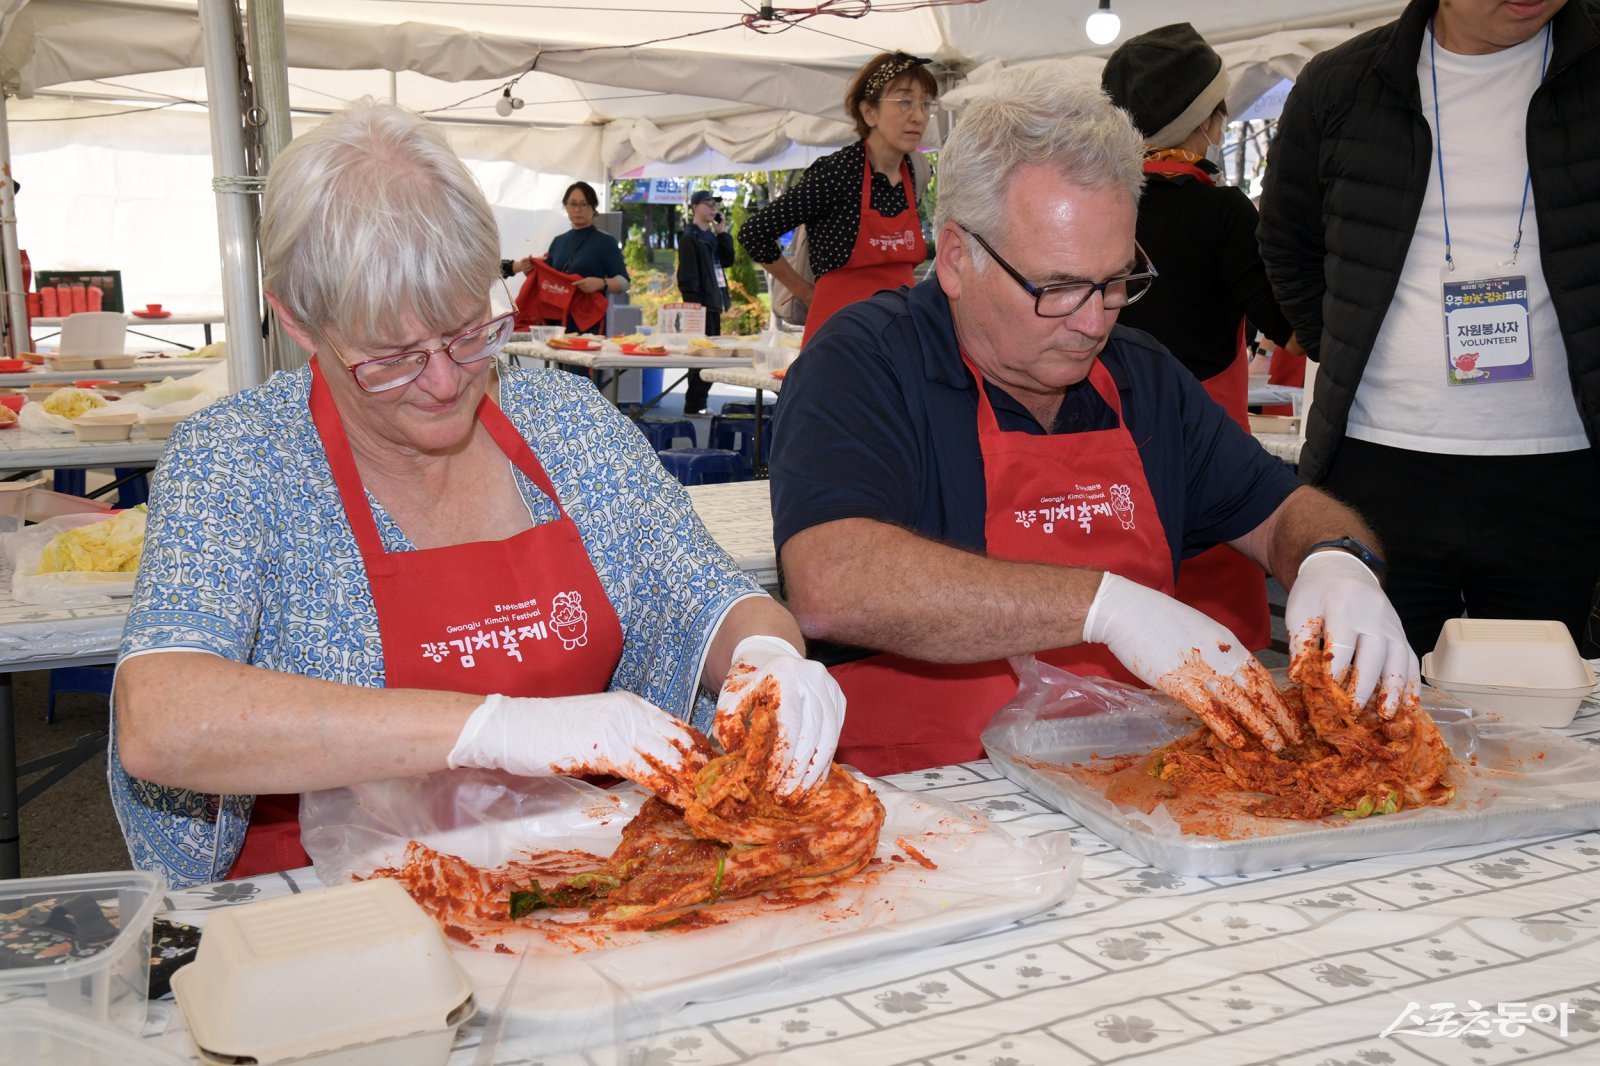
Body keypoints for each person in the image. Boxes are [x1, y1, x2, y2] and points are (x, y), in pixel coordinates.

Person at [108, 100, 845, 888]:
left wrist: (766, 655)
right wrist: (495, 729)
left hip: (584, 879)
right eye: (392, 357)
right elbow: (163, 716)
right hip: (331, 907)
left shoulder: (564, 423)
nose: (442, 382)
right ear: (297, 320)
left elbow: (705, 593)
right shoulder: (237, 459)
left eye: (470, 333)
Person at [769, 68, 1417, 777]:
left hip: (1131, 786)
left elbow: (1284, 510)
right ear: (956, 259)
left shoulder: (1143, 378)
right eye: (1057, 287)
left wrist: (1333, 562)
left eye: (1115, 282)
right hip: (922, 797)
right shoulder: (864, 362)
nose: (1093, 322)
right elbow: (834, 580)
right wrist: (1104, 608)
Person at [1257, 0, 1600, 657]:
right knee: (1370, 692)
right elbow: (1285, 242)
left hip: (1561, 466)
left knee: (1536, 697)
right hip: (1378, 459)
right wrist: (1345, 348)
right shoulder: (1341, 83)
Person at [1100, 22, 1306, 653]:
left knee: (1117, 630)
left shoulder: (1097, 204)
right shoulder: (1221, 213)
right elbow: (1294, 334)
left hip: (1105, 451)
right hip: (1206, 458)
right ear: (1205, 119)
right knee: (1216, 653)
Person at [738, 51, 935, 344]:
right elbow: (754, 234)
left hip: (899, 337)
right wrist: (805, 292)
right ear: (869, 113)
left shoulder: (915, 170)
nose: (918, 116)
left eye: (926, 104)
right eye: (905, 102)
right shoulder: (837, 173)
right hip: (840, 339)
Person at [535, 180, 629, 333]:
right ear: (566, 207)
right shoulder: (558, 241)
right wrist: (532, 268)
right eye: (573, 204)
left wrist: (601, 283)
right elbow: (547, 280)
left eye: (583, 204)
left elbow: (624, 282)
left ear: (593, 207)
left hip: (589, 323)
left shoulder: (605, 242)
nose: (577, 210)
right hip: (557, 321)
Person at [676, 188, 735, 415]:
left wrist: (722, 233)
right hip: (701, 307)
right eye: (708, 204)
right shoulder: (690, 237)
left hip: (713, 302)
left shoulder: (710, 236)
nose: (713, 208)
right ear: (695, 207)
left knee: (709, 356)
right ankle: (695, 404)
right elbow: (687, 277)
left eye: (715, 205)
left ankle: (698, 402)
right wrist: (694, 308)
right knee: (702, 357)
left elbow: (728, 260)